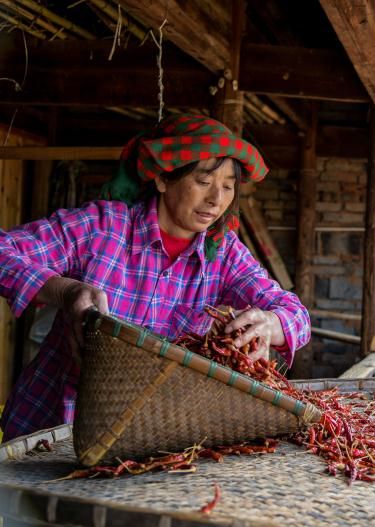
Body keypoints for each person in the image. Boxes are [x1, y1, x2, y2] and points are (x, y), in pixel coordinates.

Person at [0, 114, 310, 442]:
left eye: (228, 186)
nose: (216, 200)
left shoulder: (224, 254)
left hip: (148, 436)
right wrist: (65, 291)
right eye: (203, 181)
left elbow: (297, 315)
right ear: (162, 178)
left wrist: (270, 323)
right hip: (53, 427)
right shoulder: (102, 227)